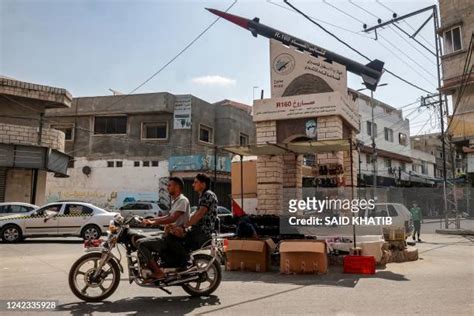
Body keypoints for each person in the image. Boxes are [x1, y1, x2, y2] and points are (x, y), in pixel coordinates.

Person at [137, 177, 190, 280]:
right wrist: (151, 219)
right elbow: (167, 216)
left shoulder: (182, 200)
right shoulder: (176, 201)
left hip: (174, 238)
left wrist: (154, 222)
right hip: (170, 235)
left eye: (170, 185)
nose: (167, 187)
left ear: (177, 187)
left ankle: (158, 272)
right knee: (145, 238)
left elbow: (173, 218)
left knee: (141, 243)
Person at [168, 173, 218, 251]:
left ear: (203, 184)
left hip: (201, 232)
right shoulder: (203, 196)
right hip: (199, 231)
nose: (193, 185)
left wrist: (184, 227)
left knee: (180, 248)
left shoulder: (208, 195)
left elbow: (199, 214)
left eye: (196, 182)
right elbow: (195, 213)